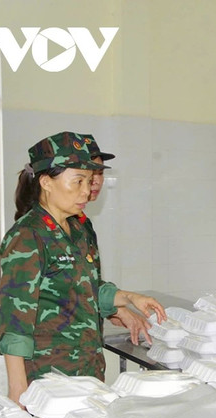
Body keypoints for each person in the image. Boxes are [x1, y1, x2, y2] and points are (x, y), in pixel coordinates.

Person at [0, 131, 166, 405]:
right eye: (77, 181)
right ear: (46, 182)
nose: (86, 191)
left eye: (88, 181)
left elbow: (84, 287)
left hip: (87, 367)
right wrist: (18, 391)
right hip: (47, 375)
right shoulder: (28, 235)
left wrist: (127, 298)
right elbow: (14, 321)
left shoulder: (77, 228)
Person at [80, 134, 157, 345]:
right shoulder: (41, 230)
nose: (95, 181)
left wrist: (115, 309)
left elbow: (85, 283)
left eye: (99, 173)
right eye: (87, 174)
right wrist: (122, 304)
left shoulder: (81, 223)